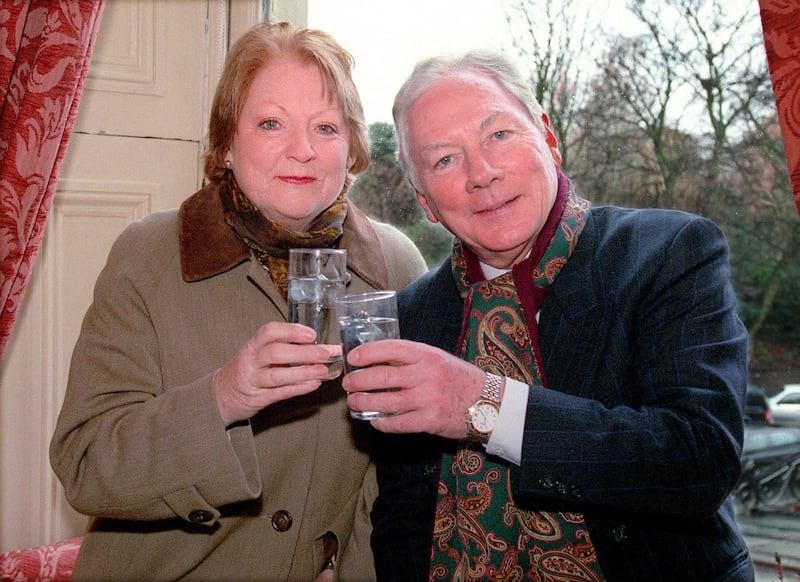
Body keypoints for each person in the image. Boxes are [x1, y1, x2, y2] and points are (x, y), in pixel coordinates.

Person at [341, 51, 755, 581]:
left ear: (549, 140)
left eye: (499, 135)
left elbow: (699, 461)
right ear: (424, 200)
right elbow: (402, 519)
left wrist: (483, 405)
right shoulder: (411, 316)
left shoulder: (668, 253)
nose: (482, 175)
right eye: (444, 159)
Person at [49, 22, 426, 582]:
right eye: (271, 123)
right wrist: (223, 397)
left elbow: (401, 471)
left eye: (325, 127)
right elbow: (86, 467)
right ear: (226, 143)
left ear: (351, 148)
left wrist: (349, 569)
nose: (302, 150)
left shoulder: (394, 266)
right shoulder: (148, 254)